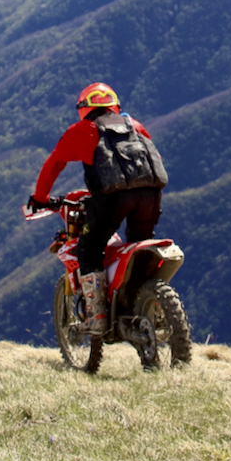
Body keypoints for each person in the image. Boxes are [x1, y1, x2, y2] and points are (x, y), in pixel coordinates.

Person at [26, 82, 167, 337]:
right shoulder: (134, 125)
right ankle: (144, 305)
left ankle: (97, 318)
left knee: (89, 249)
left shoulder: (83, 129)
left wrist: (40, 198)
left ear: (84, 107)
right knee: (140, 248)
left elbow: (54, 163)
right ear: (114, 105)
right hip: (151, 194)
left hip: (112, 199)